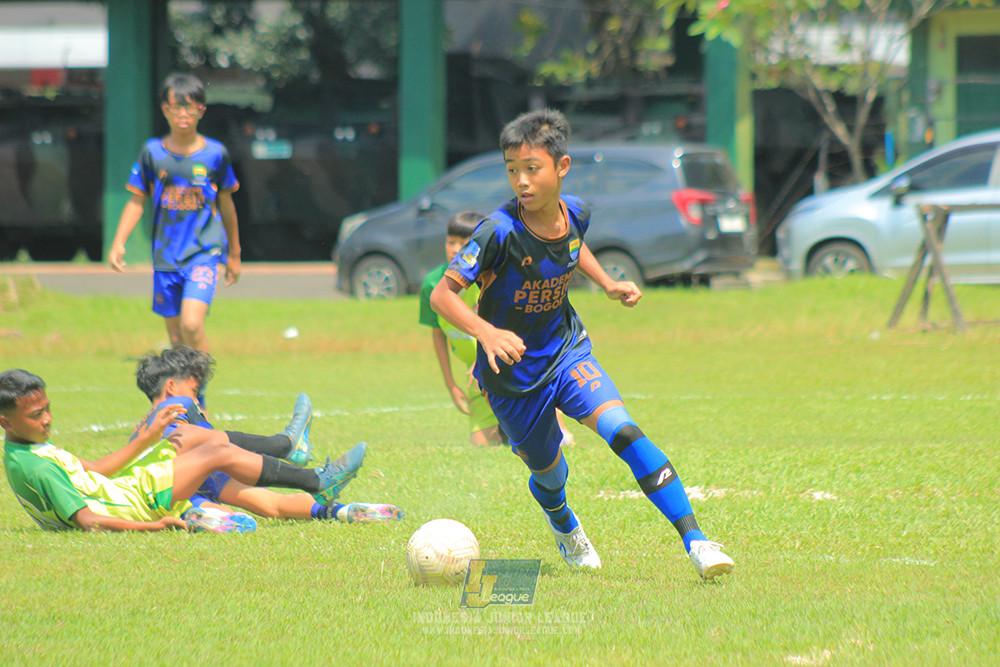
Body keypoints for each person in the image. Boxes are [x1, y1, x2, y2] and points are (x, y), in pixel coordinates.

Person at [430, 109, 734, 579]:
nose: (522, 181)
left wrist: (607, 283)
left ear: (561, 166)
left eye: (532, 168)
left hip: (568, 352)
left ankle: (697, 542)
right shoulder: (497, 231)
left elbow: (572, 244)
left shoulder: (576, 211)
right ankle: (565, 525)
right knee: (550, 476)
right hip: (514, 380)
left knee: (623, 429)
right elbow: (441, 294)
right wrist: (485, 331)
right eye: (512, 170)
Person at [1, 369, 363, 533]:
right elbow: (87, 521)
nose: (47, 419)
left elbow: (95, 471)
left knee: (188, 435)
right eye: (36, 415)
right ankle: (313, 478)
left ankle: (291, 453)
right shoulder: (35, 466)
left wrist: (146, 438)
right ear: (6, 422)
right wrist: (154, 525)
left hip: (126, 489)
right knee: (216, 451)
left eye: (47, 408)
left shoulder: (33, 446)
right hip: (136, 502)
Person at [129, 346, 403, 524]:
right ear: (172, 386)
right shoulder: (173, 407)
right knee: (218, 451)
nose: (197, 402)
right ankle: (286, 446)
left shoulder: (139, 433)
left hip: (161, 494)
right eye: (194, 392)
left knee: (267, 503)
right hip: (173, 476)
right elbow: (212, 442)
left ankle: (202, 513)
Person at [107, 72, 241, 357]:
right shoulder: (152, 153)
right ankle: (187, 396)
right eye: (176, 107)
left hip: (204, 253)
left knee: (192, 325)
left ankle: (200, 395)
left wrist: (235, 253)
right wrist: (119, 241)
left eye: (190, 107)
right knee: (177, 337)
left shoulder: (215, 154)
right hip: (165, 258)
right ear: (165, 110)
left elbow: (227, 203)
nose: (183, 114)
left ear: (201, 110)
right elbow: (136, 201)